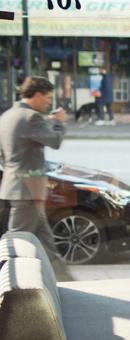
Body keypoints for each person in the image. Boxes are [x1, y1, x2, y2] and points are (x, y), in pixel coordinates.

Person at [0, 76, 69, 275]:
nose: (49, 102)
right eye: (48, 97)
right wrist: (60, 123)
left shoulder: (8, 115)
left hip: (16, 187)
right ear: (37, 95)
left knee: (46, 242)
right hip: (27, 192)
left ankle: (65, 280)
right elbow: (54, 141)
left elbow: (4, 155)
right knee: (16, 243)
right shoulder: (31, 117)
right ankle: (9, 286)